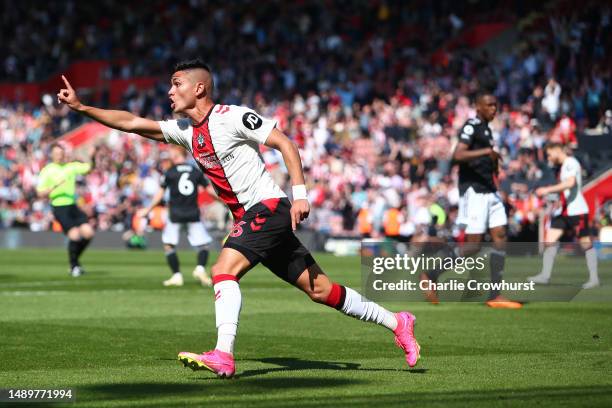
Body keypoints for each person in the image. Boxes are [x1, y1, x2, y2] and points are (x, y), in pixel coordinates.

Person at [57, 59, 420, 377]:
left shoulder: (232, 117)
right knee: (320, 289)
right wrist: (83, 108)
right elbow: (133, 123)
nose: (169, 91)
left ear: (199, 88)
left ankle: (223, 355)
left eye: (177, 84)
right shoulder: (185, 132)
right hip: (255, 217)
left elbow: (285, 144)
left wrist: (300, 195)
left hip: (269, 208)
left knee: (222, 270)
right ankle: (397, 322)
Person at [422, 93, 522, 308]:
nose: (494, 109)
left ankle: (495, 295)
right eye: (489, 105)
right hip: (473, 192)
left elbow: (487, 161)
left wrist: (495, 175)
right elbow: (457, 155)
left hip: (490, 191)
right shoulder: (472, 125)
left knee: (500, 237)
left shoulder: (487, 129)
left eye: (496, 105)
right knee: (473, 246)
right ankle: (431, 274)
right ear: (478, 107)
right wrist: (487, 152)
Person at [138, 146, 216, 287]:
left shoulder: (170, 172)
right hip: (193, 213)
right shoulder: (195, 171)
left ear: (176, 155)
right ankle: (200, 268)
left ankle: (176, 276)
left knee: (169, 245)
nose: (170, 156)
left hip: (175, 214)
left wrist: (148, 209)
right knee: (203, 245)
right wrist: (223, 201)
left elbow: (160, 194)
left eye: (172, 154)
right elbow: (209, 190)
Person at [529, 143, 599, 289]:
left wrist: (547, 190)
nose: (548, 158)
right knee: (549, 240)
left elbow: (570, 183)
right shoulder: (561, 166)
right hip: (564, 211)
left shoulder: (570, 162)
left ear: (557, 150)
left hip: (576, 210)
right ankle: (545, 276)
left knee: (585, 243)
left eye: (549, 154)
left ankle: (594, 279)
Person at [37, 144, 95, 277]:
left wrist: (91, 156)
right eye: (57, 153)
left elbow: (89, 169)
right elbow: (40, 193)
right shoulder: (47, 170)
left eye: (61, 153)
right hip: (59, 206)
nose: (60, 155)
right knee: (74, 235)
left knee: (89, 233)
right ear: (51, 155)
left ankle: (75, 261)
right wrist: (54, 186)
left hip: (72, 205)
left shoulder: (70, 166)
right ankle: (74, 266)